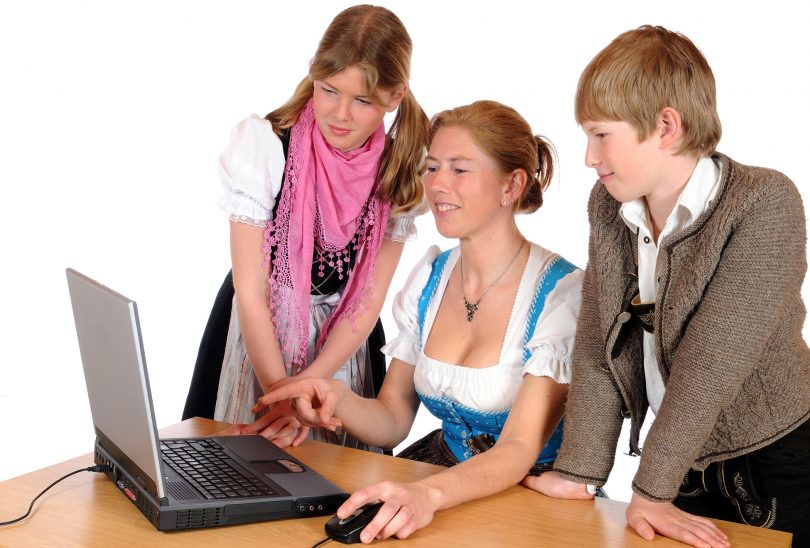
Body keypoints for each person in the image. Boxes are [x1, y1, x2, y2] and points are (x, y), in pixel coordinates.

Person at [530, 25, 810, 547]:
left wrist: (651, 489)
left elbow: (712, 363)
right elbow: (598, 344)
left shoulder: (766, 203)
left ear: (666, 127)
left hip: (777, 460)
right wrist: (580, 472)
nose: (589, 157)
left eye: (601, 135)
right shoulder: (609, 206)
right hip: (678, 462)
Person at [256, 100, 584, 542]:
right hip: (437, 481)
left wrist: (426, 494)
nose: (437, 184)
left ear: (512, 184)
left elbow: (518, 448)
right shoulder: (432, 276)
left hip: (533, 497)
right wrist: (336, 397)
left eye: (459, 170)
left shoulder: (561, 295)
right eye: (432, 168)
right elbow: (393, 417)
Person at [195, 5, 430, 451]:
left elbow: (368, 300)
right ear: (313, 74)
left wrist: (312, 385)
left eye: (363, 101)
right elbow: (250, 290)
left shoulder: (400, 169)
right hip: (259, 333)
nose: (340, 113)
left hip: (343, 342)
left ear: (395, 96)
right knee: (249, 464)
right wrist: (281, 395)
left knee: (334, 474)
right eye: (329, 91)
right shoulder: (266, 146)